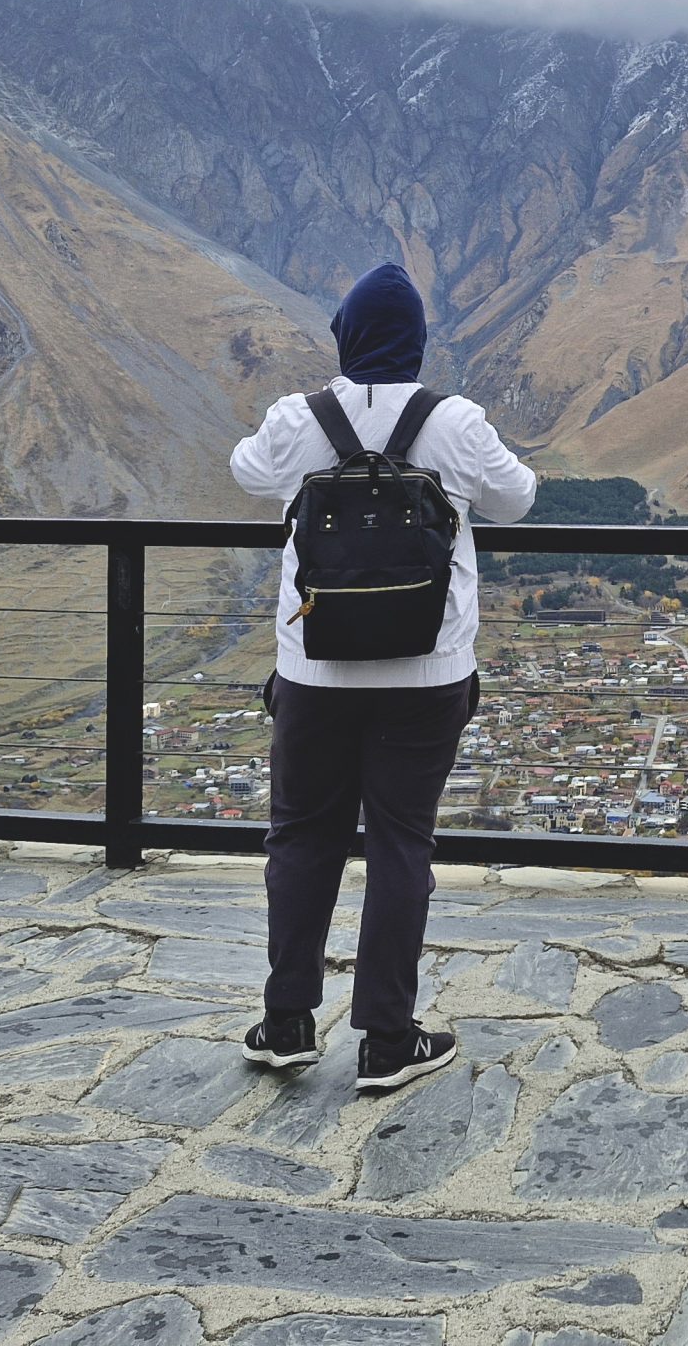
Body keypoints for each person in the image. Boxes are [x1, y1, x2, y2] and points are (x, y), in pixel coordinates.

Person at [230, 260, 535, 1090]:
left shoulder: (299, 419)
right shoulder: (455, 421)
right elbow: (517, 500)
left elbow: (249, 473)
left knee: (301, 837)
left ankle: (288, 1019)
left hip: (314, 671)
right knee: (402, 844)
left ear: (345, 335)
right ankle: (388, 1038)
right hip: (428, 670)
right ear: (418, 341)